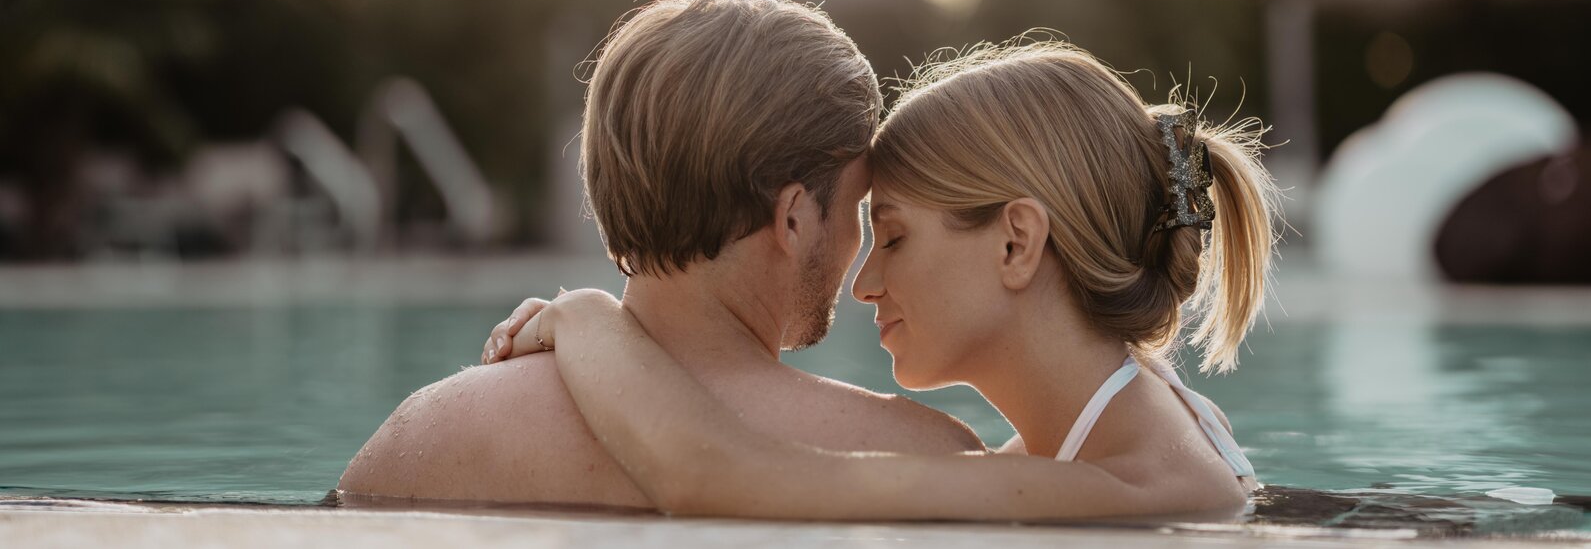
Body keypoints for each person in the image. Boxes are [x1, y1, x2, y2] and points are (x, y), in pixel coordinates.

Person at [488, 42, 1282, 520]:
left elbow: (712, 481)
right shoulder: (1137, 433)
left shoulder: (1128, 488)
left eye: (893, 236)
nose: (863, 280)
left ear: (1016, 243)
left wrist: (587, 316)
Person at [336, 0, 983, 507]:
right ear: (792, 219)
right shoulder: (918, 459)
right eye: (858, 208)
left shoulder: (423, 432)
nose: (858, 247)